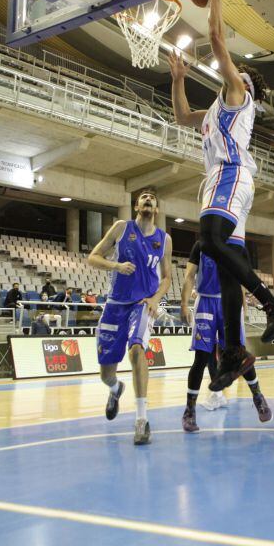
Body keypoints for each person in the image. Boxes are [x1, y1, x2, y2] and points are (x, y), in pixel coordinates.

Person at [169, 0, 274, 386]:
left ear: (246, 84)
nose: (229, 72)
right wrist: (177, 78)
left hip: (231, 174)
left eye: (236, 72)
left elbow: (218, 37)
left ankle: (273, 304)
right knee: (224, 267)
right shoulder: (216, 111)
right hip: (220, 180)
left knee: (209, 240)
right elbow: (183, 116)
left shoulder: (239, 93)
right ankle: (236, 351)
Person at [87, 189, 172, 446]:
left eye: (152, 198)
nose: (148, 200)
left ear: (156, 209)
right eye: (143, 197)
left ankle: (141, 420)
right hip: (115, 305)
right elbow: (93, 257)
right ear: (136, 205)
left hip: (142, 304)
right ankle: (115, 389)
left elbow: (167, 277)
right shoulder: (121, 228)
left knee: (137, 349)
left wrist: (156, 299)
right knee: (106, 373)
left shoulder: (164, 239)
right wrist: (116, 266)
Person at [180, 240, 271, 432]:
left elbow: (243, 277)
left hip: (230, 302)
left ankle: (257, 396)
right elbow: (189, 276)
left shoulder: (237, 246)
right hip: (205, 302)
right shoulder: (201, 244)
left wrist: (244, 305)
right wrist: (183, 304)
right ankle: (189, 411)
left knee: (239, 354)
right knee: (201, 358)